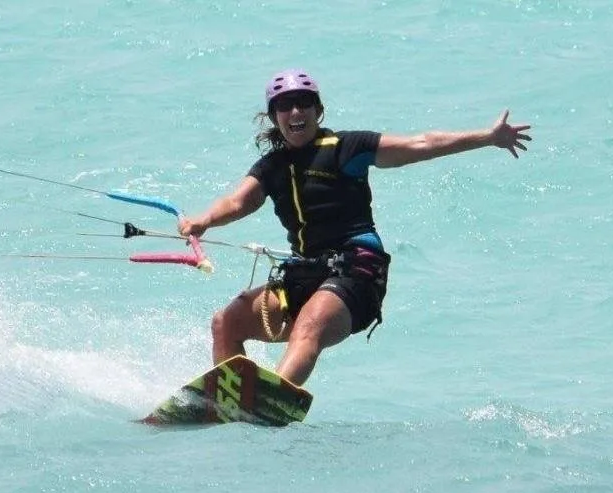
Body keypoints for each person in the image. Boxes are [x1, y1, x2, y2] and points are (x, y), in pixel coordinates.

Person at [177, 69, 531, 387]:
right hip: (304, 272)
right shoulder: (272, 166)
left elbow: (421, 143)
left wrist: (487, 137)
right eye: (285, 106)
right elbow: (238, 202)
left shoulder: (347, 148)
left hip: (357, 270)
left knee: (309, 326)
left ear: (318, 111)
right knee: (227, 322)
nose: (296, 111)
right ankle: (231, 398)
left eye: (304, 103)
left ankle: (275, 398)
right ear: (274, 117)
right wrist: (204, 220)